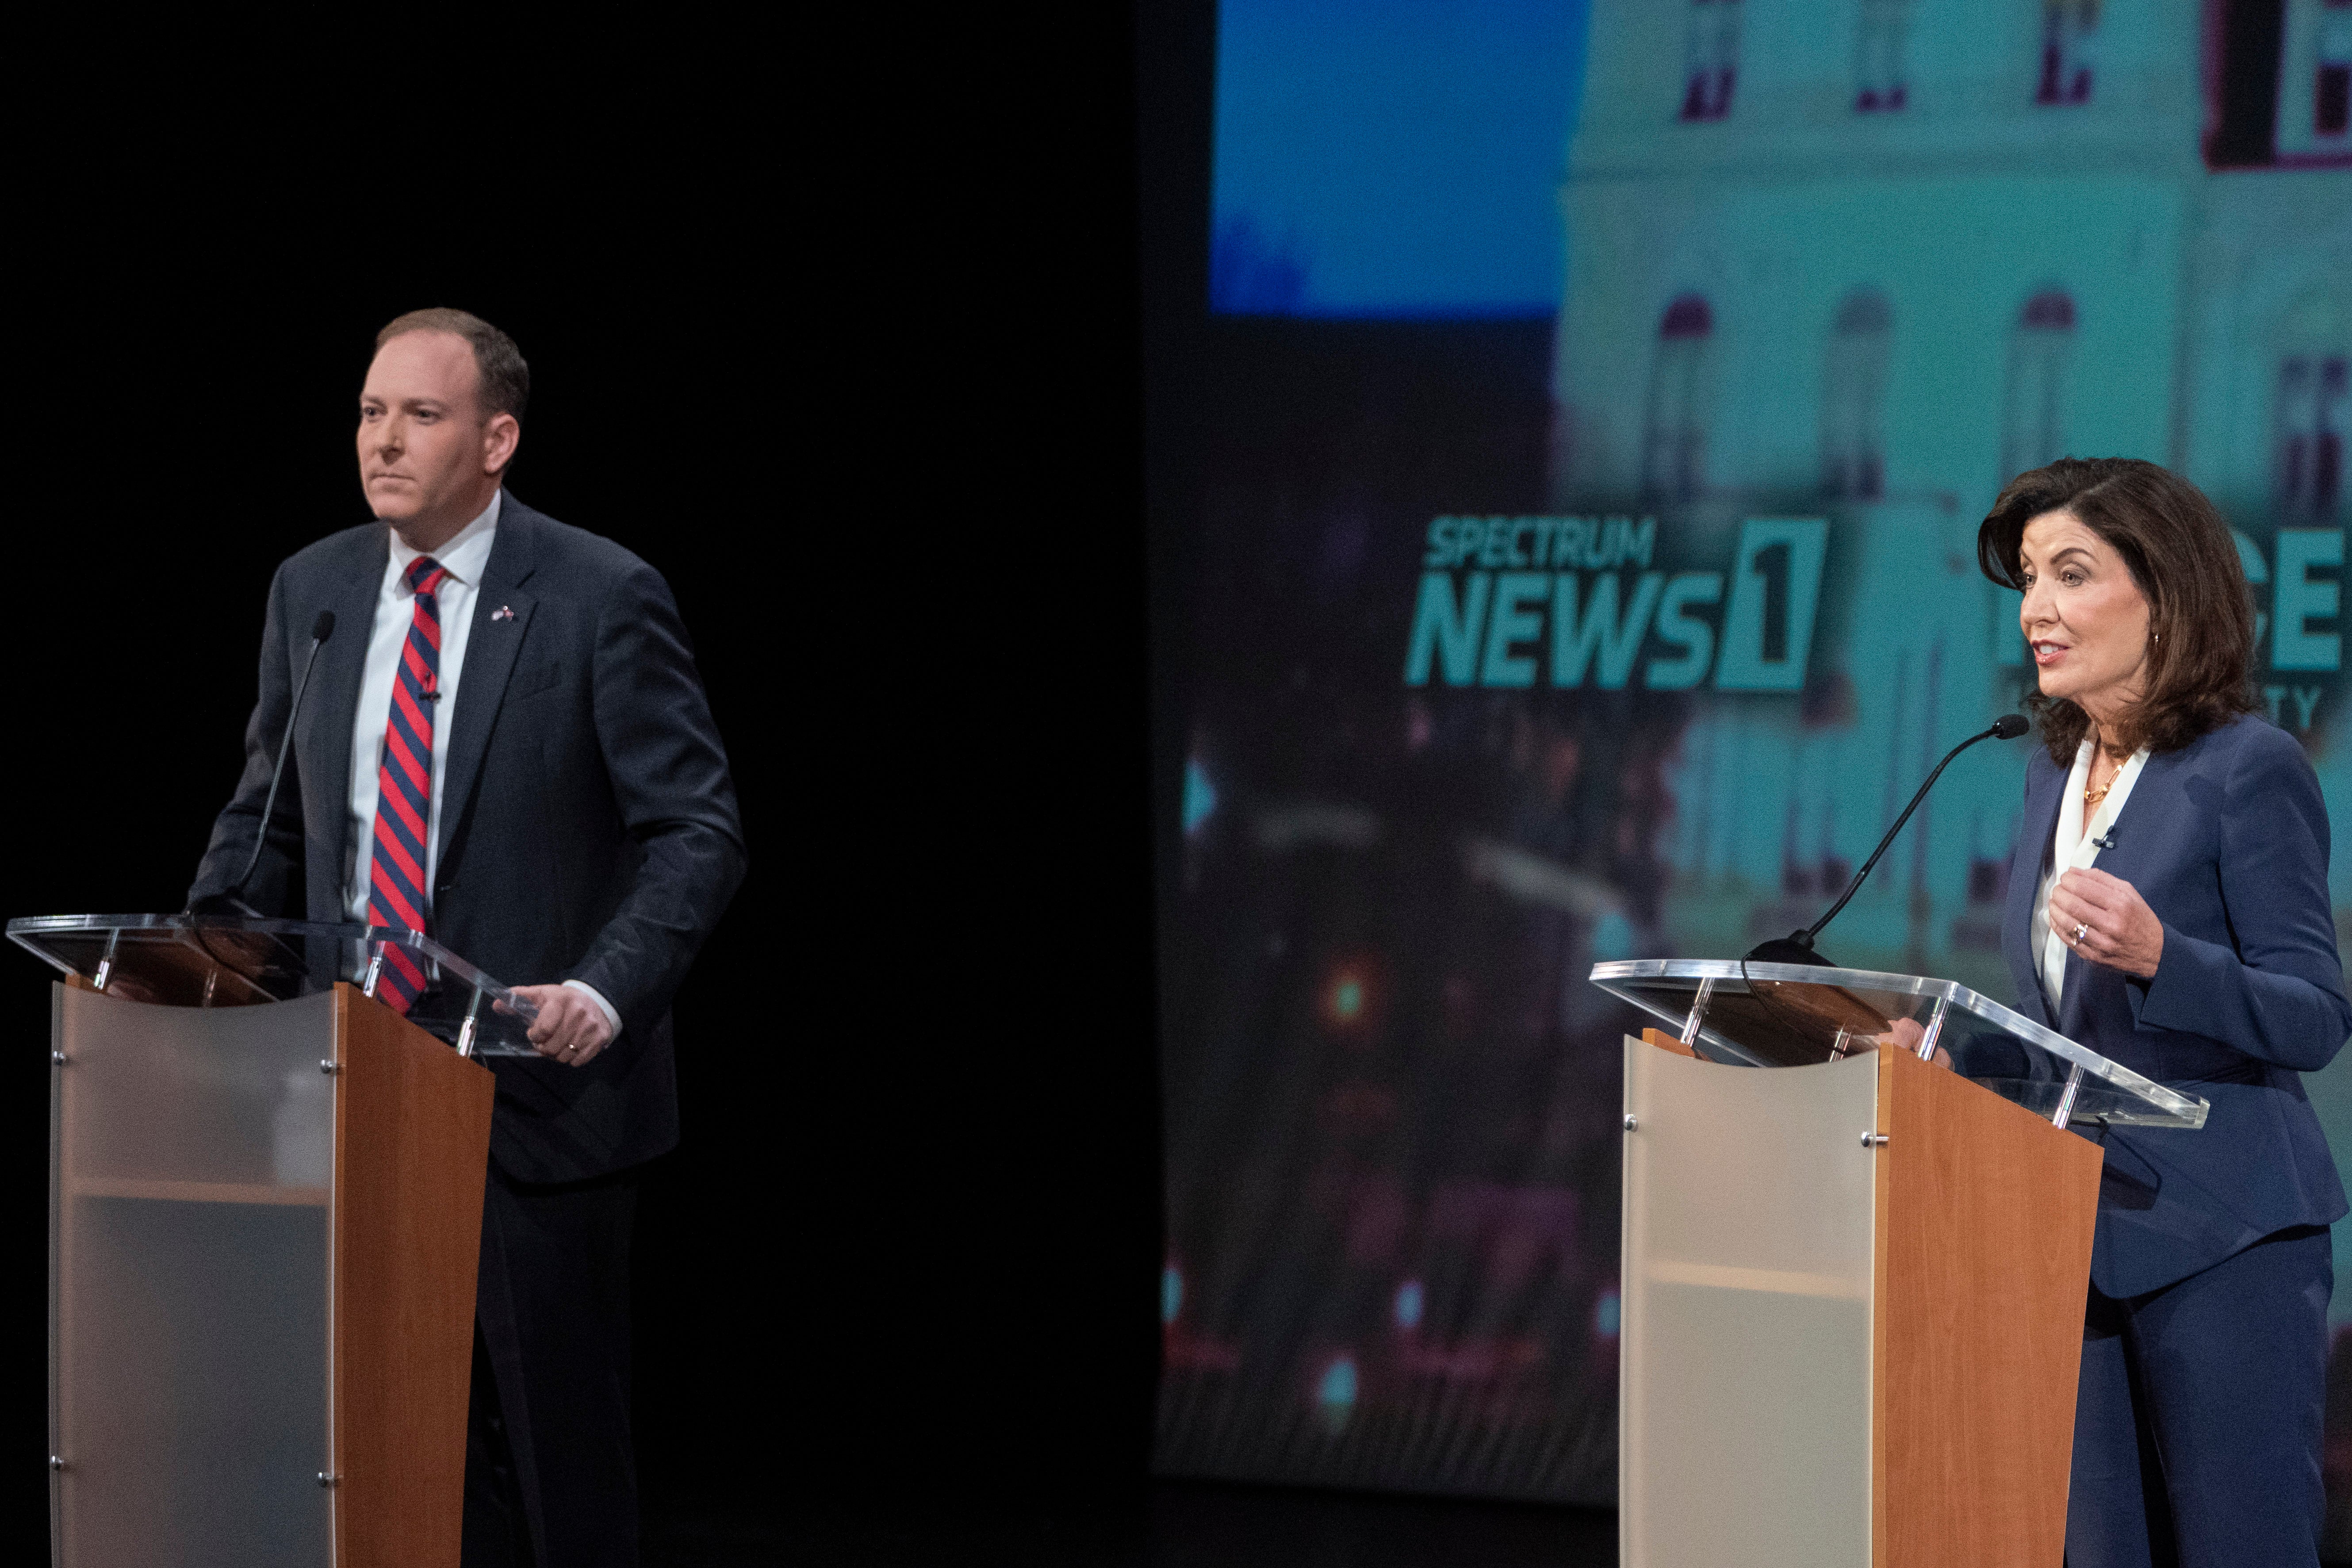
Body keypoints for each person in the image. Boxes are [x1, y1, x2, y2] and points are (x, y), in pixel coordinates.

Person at [188, 307, 746, 1567]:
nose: (383, 442)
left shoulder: (602, 594)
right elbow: (265, 816)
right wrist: (199, 956)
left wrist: (604, 993)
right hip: (346, 1091)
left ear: (496, 439)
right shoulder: (313, 590)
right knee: (381, 1450)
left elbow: (697, 831)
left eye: (420, 416)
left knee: (551, 1458)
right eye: (371, 412)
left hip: (535, 1099)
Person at [1974, 456, 2345, 1566]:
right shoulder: (2050, 775)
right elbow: (2061, 1031)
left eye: (2071, 573)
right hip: (2077, 1240)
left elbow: (2315, 1015)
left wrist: (2161, 958)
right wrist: (1942, 1052)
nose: (2037, 607)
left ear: (2165, 590)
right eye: (2031, 577)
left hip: (2228, 1240)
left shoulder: (2248, 768)